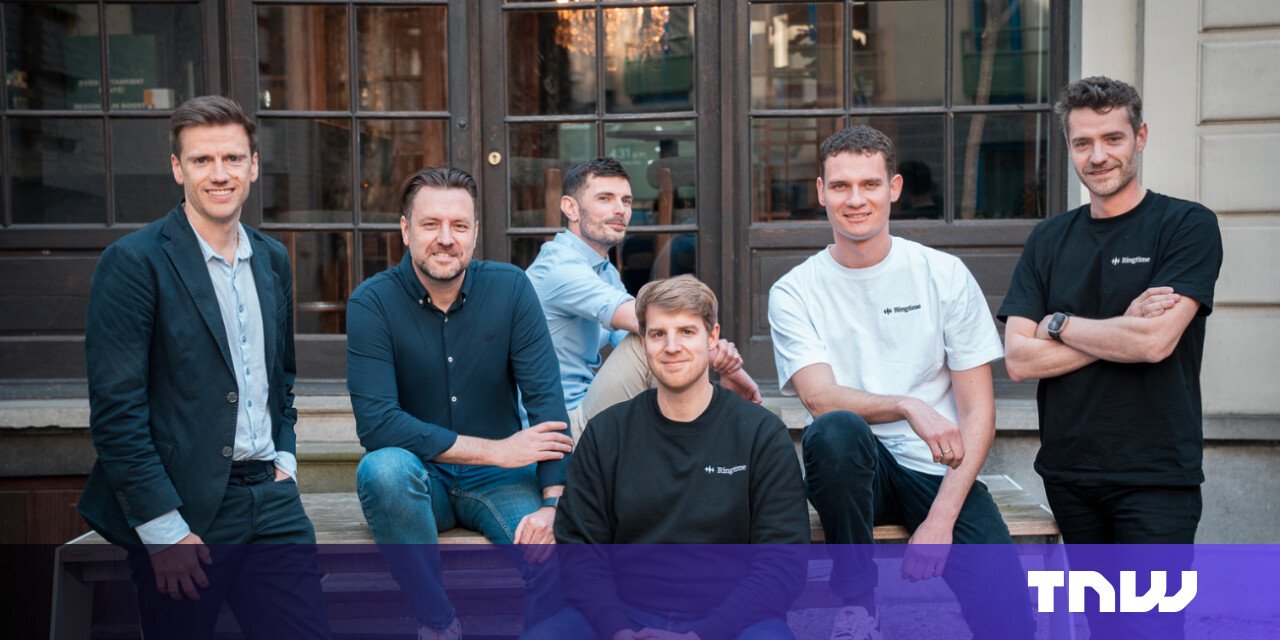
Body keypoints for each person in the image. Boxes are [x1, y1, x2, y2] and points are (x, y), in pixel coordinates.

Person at [768, 125, 1033, 640]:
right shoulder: (794, 291)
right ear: (821, 192)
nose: (855, 200)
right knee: (835, 429)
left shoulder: (942, 274)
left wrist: (941, 520)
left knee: (1010, 618)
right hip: (850, 478)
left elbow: (978, 412)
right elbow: (819, 398)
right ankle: (858, 607)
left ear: (894, 188)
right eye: (841, 186)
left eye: (869, 184)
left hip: (936, 470)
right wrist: (910, 406)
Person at [78, 95, 329, 639]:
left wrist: (285, 457)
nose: (220, 174)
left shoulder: (272, 259)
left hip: (271, 500)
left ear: (253, 166)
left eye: (233, 158)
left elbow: (280, 378)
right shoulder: (134, 263)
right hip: (182, 509)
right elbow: (117, 413)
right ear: (178, 168)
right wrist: (162, 529)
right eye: (202, 160)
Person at [347, 166, 573, 640]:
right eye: (431, 224)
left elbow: (546, 401)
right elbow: (377, 424)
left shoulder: (511, 288)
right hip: (419, 479)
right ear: (406, 230)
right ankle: (437, 622)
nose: (446, 239)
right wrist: (496, 450)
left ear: (475, 233)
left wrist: (554, 503)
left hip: (500, 482)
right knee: (382, 469)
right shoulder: (372, 302)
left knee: (554, 558)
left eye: (459, 225)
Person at [999, 76, 1223, 544]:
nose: (1098, 156)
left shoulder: (1186, 225)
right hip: (1069, 474)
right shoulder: (1048, 239)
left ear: (1140, 137)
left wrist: (1057, 324)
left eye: (1112, 138)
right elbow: (1019, 360)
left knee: (1149, 599)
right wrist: (1124, 329)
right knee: (1096, 598)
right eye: (1083, 143)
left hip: (1156, 476)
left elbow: (1154, 342)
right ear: (1068, 147)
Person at [523, 275, 809, 640]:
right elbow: (581, 551)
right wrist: (617, 629)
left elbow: (783, 561)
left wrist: (703, 635)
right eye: (658, 334)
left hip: (733, 622)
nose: (672, 347)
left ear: (712, 337)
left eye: (686, 331)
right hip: (622, 615)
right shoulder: (607, 433)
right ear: (643, 342)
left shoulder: (761, 435)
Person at [526, 157, 761, 441]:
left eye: (626, 201)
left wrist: (717, 359)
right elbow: (649, 323)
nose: (620, 210)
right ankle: (707, 438)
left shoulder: (603, 270)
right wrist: (723, 360)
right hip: (558, 428)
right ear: (571, 208)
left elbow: (629, 337)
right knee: (652, 334)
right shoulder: (559, 267)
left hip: (585, 408)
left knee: (658, 345)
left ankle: (699, 442)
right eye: (605, 198)